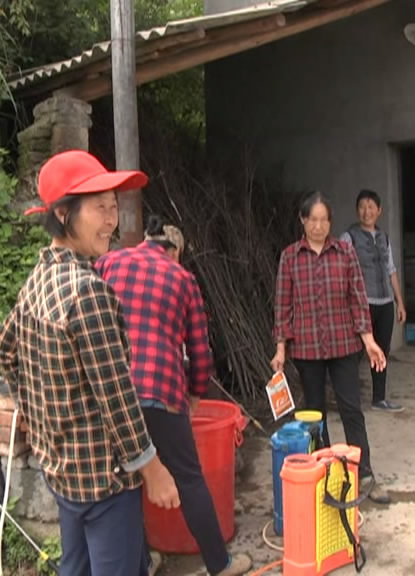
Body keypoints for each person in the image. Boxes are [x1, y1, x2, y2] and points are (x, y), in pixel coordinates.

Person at [0, 150, 180, 576]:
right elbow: (117, 396)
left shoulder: (38, 279)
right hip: (105, 481)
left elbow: (7, 351)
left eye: (114, 206)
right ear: (64, 214)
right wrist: (153, 470)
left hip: (62, 473)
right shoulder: (87, 292)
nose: (111, 220)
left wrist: (42, 423)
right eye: (99, 207)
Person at [95, 216, 253, 576]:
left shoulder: (108, 263)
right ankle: (220, 564)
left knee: (124, 481)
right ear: (175, 251)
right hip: (161, 392)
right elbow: (199, 350)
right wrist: (194, 396)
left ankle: (141, 561)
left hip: (112, 393)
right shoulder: (182, 278)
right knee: (189, 478)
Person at [271, 191, 391, 504]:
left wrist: (369, 340)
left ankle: (364, 474)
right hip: (307, 348)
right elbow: (282, 306)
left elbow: (357, 299)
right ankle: (323, 475)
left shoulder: (345, 253)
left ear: (330, 222)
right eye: (313, 219)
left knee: (352, 410)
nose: (318, 226)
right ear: (302, 220)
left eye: (324, 220)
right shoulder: (290, 257)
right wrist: (281, 349)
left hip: (343, 345)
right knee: (314, 415)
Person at [341, 189, 407, 413]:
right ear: (356, 210)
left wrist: (399, 302)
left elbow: (391, 270)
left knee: (382, 351)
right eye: (362, 207)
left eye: (371, 207)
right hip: (362, 304)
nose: (366, 211)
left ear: (379, 211)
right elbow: (340, 270)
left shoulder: (384, 237)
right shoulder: (349, 237)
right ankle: (349, 400)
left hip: (385, 303)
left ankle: (379, 399)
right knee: (354, 353)